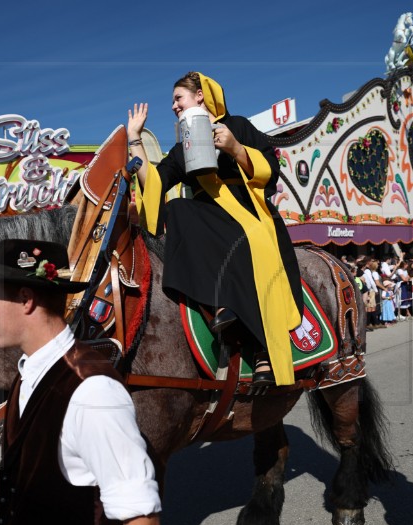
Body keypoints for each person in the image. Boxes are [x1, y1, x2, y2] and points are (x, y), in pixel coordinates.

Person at [0, 239, 161, 525]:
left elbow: (143, 520)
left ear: (26, 299)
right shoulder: (30, 373)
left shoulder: (91, 391)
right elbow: (43, 467)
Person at [126, 71, 302, 386]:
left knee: (242, 239)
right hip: (208, 220)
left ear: (200, 97)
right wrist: (135, 139)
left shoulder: (239, 127)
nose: (173, 107)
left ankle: (265, 348)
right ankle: (219, 304)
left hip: (249, 214)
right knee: (177, 207)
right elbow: (154, 183)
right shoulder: (181, 150)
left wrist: (235, 149)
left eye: (178, 98)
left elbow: (272, 172)